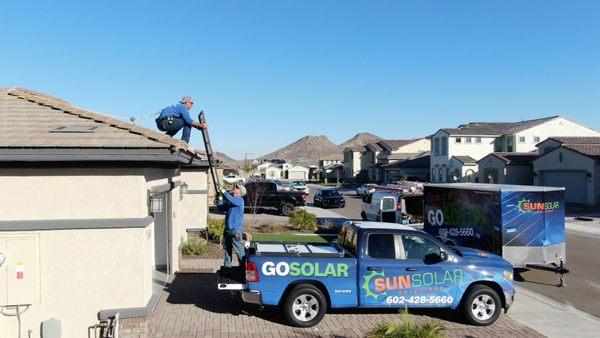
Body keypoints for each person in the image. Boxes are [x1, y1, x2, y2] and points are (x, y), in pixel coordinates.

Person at [217, 183, 247, 267]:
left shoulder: (239, 200)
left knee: (240, 251)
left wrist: (222, 190)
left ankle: (244, 268)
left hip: (236, 230)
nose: (234, 187)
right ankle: (227, 267)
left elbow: (229, 197)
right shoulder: (231, 202)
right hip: (228, 230)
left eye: (237, 187)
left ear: (239, 192)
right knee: (227, 250)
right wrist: (220, 197)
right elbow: (221, 208)